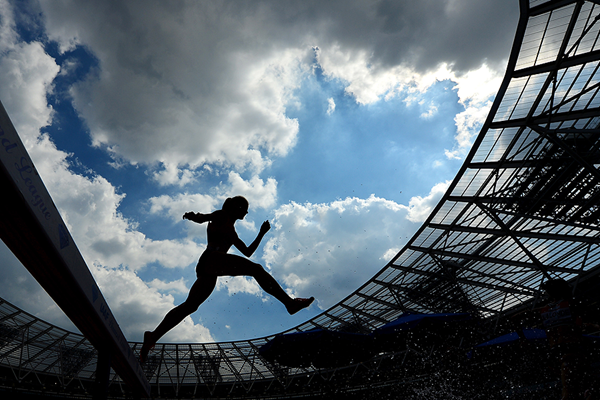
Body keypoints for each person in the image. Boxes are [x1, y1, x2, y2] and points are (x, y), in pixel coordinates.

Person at [140, 196, 314, 362]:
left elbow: (247, 251)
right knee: (256, 269)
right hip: (213, 258)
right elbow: (204, 218)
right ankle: (289, 303)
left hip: (208, 266)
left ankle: (153, 336)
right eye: (245, 210)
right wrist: (193, 216)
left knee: (191, 305)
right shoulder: (222, 215)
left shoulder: (231, 229)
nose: (246, 214)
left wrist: (261, 233)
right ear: (236, 208)